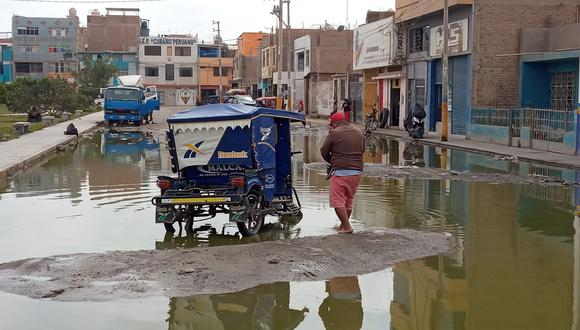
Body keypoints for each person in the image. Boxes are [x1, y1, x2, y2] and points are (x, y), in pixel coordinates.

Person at [320, 112, 364, 234]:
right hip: (357, 171)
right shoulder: (358, 131)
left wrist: (332, 161)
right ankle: (343, 226)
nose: (331, 127)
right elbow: (362, 149)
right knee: (349, 199)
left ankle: (347, 227)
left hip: (340, 171)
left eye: (332, 125)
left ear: (335, 123)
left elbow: (324, 151)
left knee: (337, 200)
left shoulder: (335, 133)